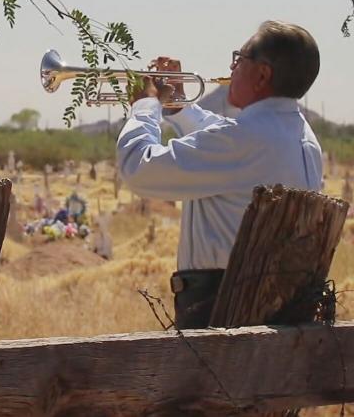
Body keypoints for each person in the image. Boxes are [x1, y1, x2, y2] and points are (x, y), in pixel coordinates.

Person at [117, 20, 323, 329]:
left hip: (219, 305)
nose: (231, 67)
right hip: (266, 302)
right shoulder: (297, 132)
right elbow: (221, 138)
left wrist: (144, 106)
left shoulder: (245, 139)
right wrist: (177, 105)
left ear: (263, 74)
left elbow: (138, 167)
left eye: (239, 59)